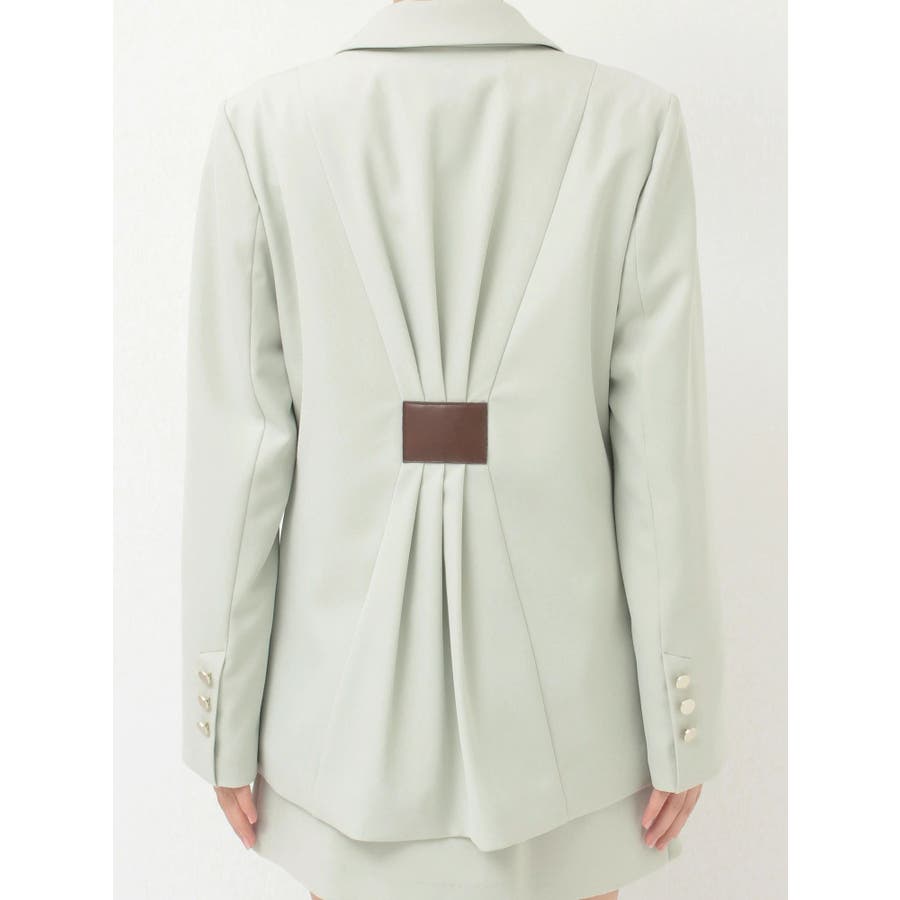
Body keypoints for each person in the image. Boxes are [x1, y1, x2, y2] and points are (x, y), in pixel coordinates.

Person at [180, 1, 726, 898]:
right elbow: (659, 463)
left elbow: (241, 467)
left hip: (339, 741)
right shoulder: (633, 125)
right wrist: (682, 715)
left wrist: (219, 718)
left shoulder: (264, 129)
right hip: (575, 743)